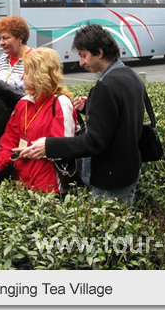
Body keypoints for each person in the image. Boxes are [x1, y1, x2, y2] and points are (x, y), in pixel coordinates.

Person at [16, 23, 145, 206]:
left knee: (105, 232)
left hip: (110, 178)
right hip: (130, 170)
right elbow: (122, 118)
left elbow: (94, 142)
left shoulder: (105, 86)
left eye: (84, 55)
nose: (81, 62)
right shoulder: (129, 75)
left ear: (99, 52)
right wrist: (90, 108)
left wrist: (49, 145)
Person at [0, 48, 76, 194]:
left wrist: (31, 150)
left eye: (26, 72)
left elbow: (63, 148)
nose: (22, 77)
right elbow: (9, 142)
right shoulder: (23, 103)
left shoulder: (60, 103)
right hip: (22, 181)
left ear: (40, 74)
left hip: (50, 185)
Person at [0, 15, 32, 93]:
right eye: (0, 38)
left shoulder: (36, 58)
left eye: (6, 38)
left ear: (20, 38)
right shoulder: (3, 58)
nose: (1, 43)